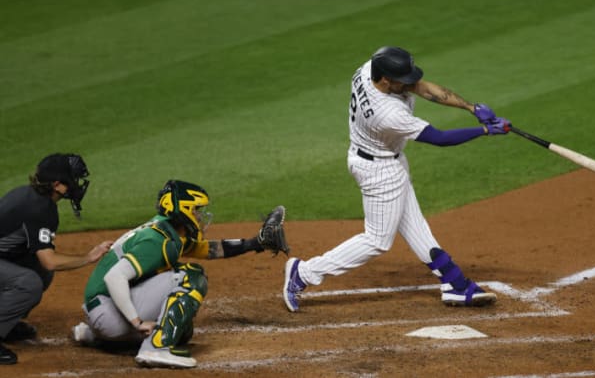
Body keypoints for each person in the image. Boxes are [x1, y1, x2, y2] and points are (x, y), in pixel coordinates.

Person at [283, 46, 512, 312]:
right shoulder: (387, 113)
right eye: (401, 81)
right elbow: (439, 139)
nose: (409, 84)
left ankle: (455, 284)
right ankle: (304, 272)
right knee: (377, 240)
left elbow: (421, 87)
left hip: (386, 159)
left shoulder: (370, 68)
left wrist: (471, 107)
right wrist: (485, 130)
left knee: (415, 225)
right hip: (377, 170)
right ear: (385, 81)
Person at [72, 179, 288, 368]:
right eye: (196, 210)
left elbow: (210, 250)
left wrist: (254, 243)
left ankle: (96, 336)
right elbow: (114, 277)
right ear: (183, 210)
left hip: (101, 311)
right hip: (107, 311)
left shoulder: (171, 232)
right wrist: (137, 322)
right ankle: (155, 347)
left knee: (182, 331)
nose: (201, 216)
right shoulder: (158, 241)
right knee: (192, 276)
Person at [0, 153, 112, 365]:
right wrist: (88, 257)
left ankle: (7, 322)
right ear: (58, 185)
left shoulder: (31, 196)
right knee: (29, 282)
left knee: (40, 272)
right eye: (72, 179)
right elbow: (50, 260)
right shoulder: (40, 209)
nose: (77, 185)